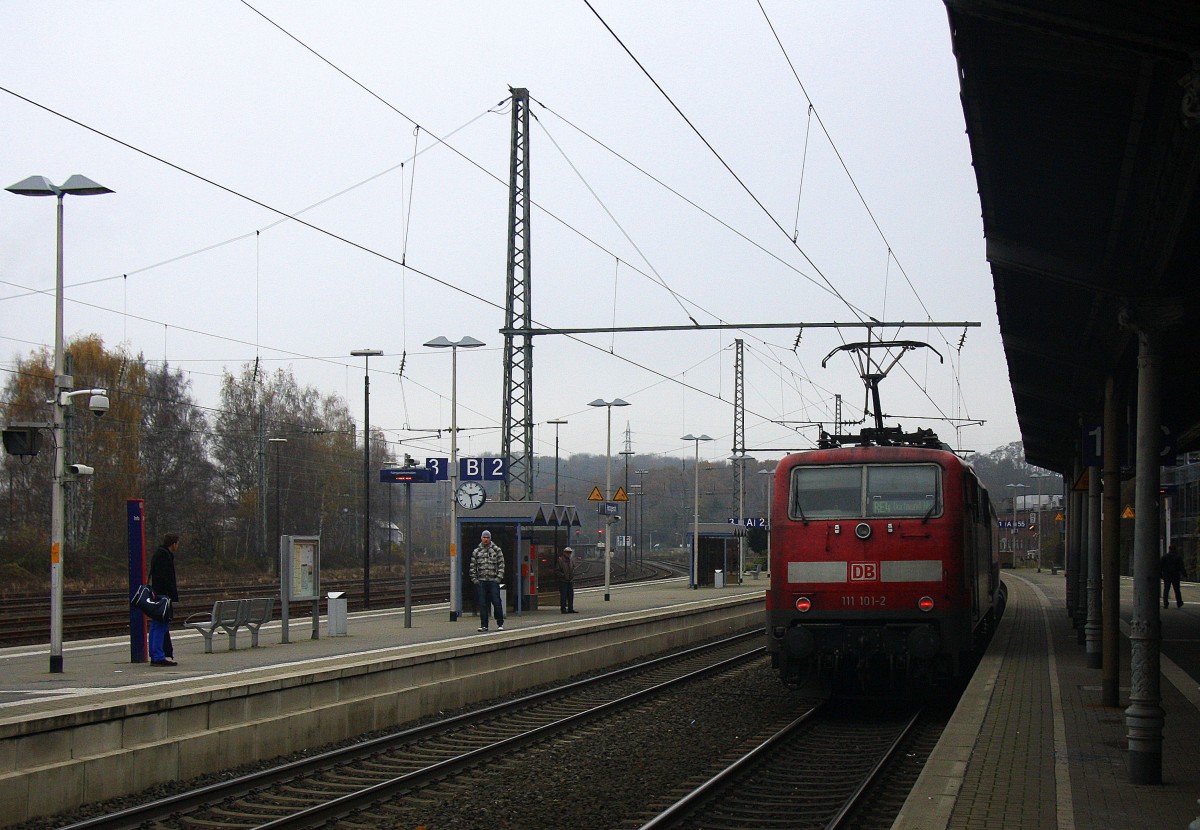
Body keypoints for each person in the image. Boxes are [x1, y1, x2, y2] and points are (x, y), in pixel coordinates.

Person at [148, 533, 180, 666]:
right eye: (177, 544)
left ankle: (156, 654)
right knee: (160, 625)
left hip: (158, 595)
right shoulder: (164, 556)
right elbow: (165, 578)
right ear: (173, 544)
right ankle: (158, 656)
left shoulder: (159, 554)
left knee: (156, 625)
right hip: (163, 596)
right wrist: (170, 594)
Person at [469, 530, 505, 632]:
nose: (486, 539)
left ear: (490, 538)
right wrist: (475, 579)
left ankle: (500, 623)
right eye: (484, 537)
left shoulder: (496, 550)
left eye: (487, 537)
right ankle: (484, 625)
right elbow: (473, 566)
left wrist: (498, 578)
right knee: (482, 603)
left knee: (496, 602)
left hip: (493, 580)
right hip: (481, 581)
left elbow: (501, 565)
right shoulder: (476, 552)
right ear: (481, 538)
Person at [556, 546, 578, 614]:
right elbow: (557, 570)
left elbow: (573, 568)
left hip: (570, 581)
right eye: (567, 552)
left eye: (569, 553)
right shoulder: (560, 560)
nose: (568, 554)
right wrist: (563, 576)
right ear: (564, 553)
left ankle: (570, 608)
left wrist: (572, 576)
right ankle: (563, 609)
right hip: (563, 581)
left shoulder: (571, 561)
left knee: (570, 595)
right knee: (564, 596)